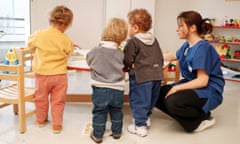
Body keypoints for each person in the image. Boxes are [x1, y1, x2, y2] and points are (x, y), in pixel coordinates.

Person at [155, 10, 225, 133]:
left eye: (181, 26)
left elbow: (203, 81)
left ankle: (200, 119)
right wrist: (149, 56)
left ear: (192, 28)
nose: (177, 29)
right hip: (193, 85)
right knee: (155, 93)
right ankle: (185, 115)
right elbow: (172, 55)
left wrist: (176, 88)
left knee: (172, 101)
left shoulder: (202, 48)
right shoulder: (188, 45)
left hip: (208, 89)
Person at [27, 5, 76, 134]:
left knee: (40, 98)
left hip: (42, 75)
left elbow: (29, 45)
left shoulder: (40, 34)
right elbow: (70, 52)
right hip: (59, 76)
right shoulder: (66, 39)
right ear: (67, 25)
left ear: (51, 19)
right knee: (58, 101)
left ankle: (40, 121)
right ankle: (57, 126)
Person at [86, 18, 128, 143]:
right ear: (121, 38)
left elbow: (89, 60)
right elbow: (124, 66)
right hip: (117, 89)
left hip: (100, 88)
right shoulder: (121, 53)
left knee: (99, 111)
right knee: (116, 110)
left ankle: (98, 135)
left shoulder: (95, 50)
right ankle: (117, 132)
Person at [124, 8, 164, 137]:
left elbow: (128, 59)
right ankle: (146, 118)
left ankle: (140, 126)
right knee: (150, 99)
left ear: (135, 28)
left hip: (141, 77)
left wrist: (126, 67)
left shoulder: (133, 42)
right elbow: (160, 57)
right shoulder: (154, 39)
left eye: (129, 26)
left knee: (139, 99)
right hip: (157, 75)